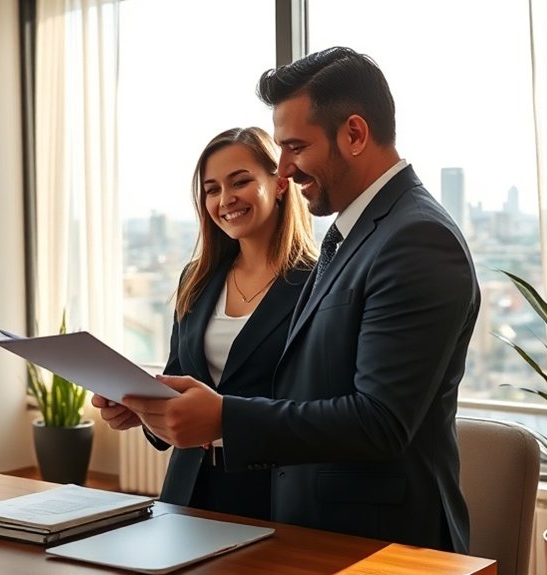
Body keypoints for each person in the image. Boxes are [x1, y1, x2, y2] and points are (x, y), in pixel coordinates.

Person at [104, 48, 480, 554]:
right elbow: (305, 390)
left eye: (295, 147)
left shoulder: (416, 239)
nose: (284, 168)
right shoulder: (353, 234)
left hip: (381, 543)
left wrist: (224, 419)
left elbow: (381, 421)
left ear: (354, 134)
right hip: (308, 525)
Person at [92, 126, 317, 520]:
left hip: (272, 496)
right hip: (187, 492)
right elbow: (179, 380)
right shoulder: (196, 279)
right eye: (212, 189)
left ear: (280, 182)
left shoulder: (318, 284)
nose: (225, 199)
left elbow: (313, 407)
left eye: (240, 182)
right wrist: (141, 409)